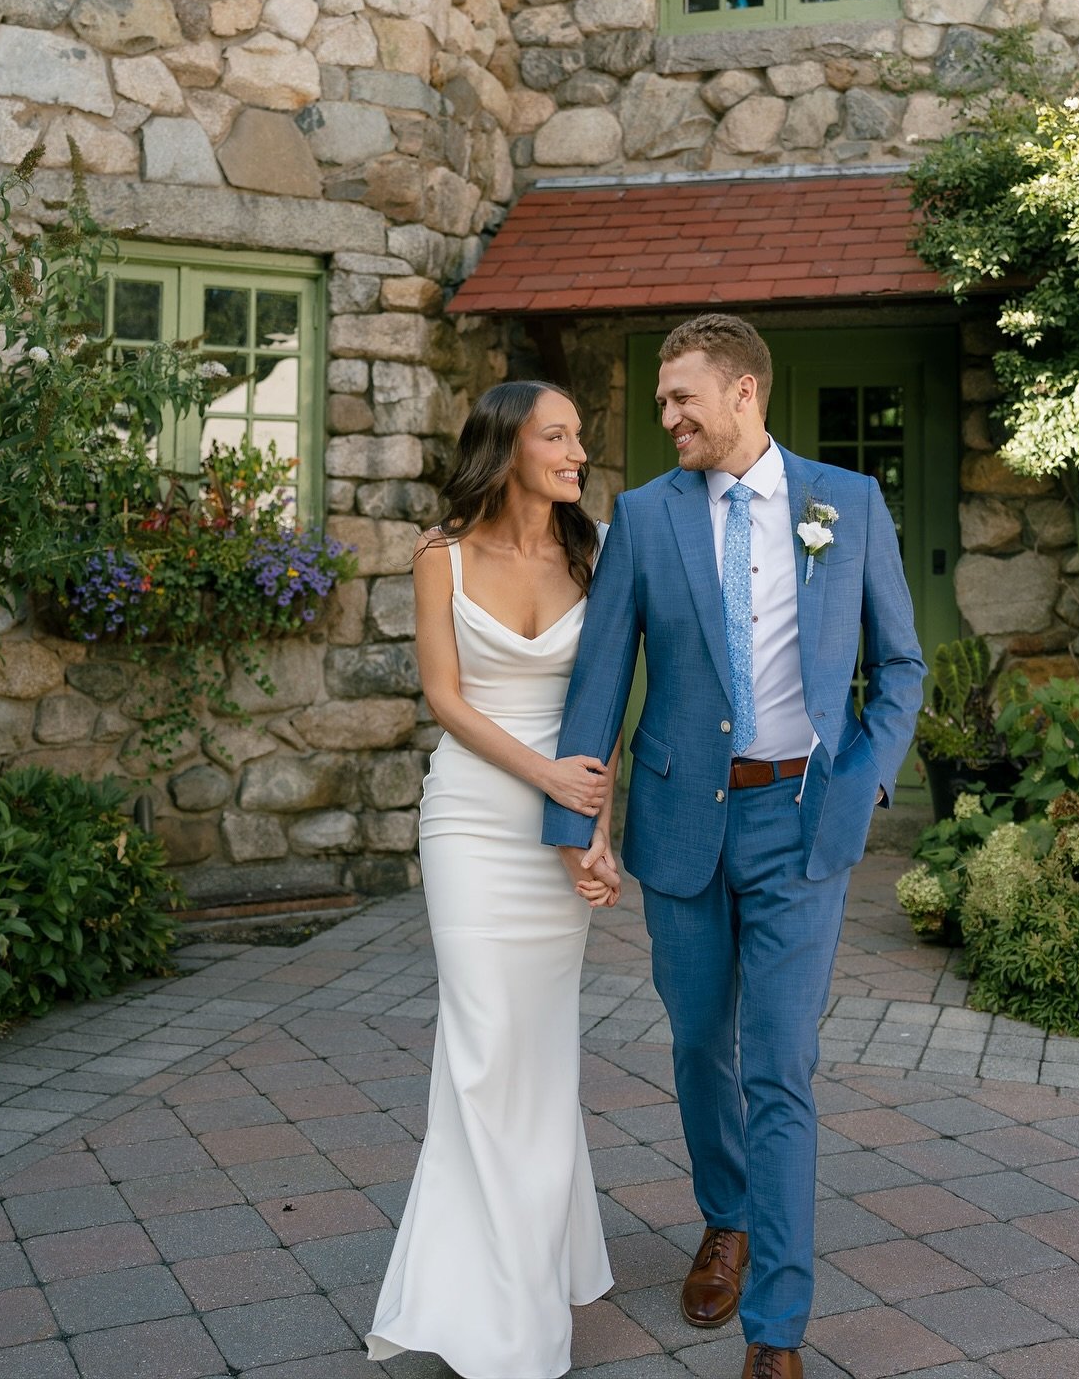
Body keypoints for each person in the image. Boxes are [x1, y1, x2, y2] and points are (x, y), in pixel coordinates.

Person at [544, 313, 924, 1379]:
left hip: (805, 820)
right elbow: (602, 679)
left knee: (784, 1065)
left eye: (682, 400)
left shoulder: (845, 503)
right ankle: (728, 1216)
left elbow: (901, 667)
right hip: (681, 823)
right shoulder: (645, 518)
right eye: (662, 401)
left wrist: (863, 782)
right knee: (699, 1042)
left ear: (746, 393)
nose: (667, 417)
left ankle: (777, 1330)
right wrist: (578, 826)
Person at [367, 381, 618, 1379]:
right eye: (557, 435)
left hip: (560, 834)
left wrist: (595, 827)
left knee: (541, 1056)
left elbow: (606, 705)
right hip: (471, 821)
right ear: (507, 447)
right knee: (480, 1052)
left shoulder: (594, 554)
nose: (576, 451)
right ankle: (498, 1317)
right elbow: (446, 698)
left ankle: (539, 1257)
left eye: (578, 437)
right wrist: (547, 774)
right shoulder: (442, 556)